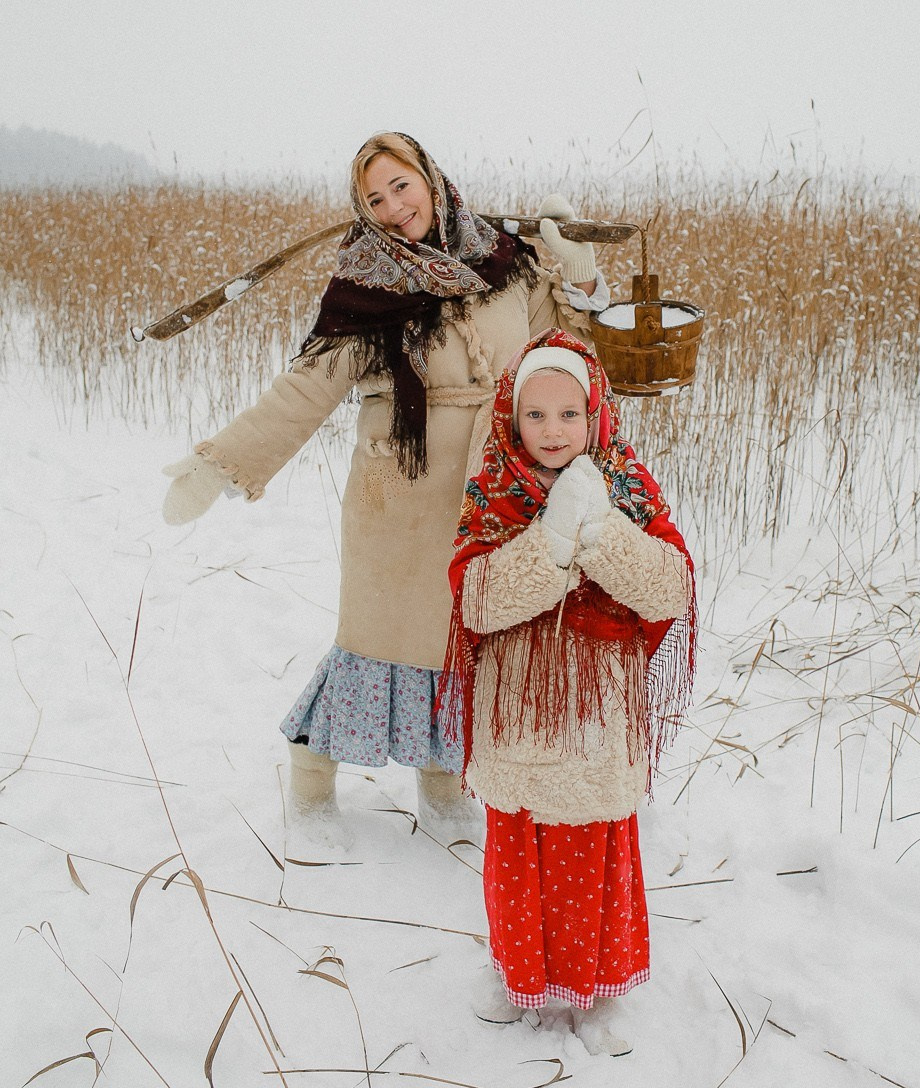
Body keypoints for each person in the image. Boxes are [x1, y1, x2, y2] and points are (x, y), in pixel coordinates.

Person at [161, 133, 608, 830]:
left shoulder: (506, 264)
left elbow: (567, 353)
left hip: (490, 487)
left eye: (402, 186)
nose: (394, 207)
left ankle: (443, 782)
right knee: (376, 640)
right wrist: (223, 460)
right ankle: (310, 778)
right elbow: (308, 386)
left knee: (462, 639)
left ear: (431, 179)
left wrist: (578, 276)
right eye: (375, 198)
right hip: (397, 491)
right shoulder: (368, 286)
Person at [439, 328, 697, 1054]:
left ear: (597, 415)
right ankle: (514, 970)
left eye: (569, 415)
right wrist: (548, 545)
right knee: (520, 846)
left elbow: (670, 585)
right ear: (510, 419)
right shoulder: (493, 489)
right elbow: (477, 604)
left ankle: (598, 989)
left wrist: (601, 532)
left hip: (597, 701)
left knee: (592, 847)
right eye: (534, 415)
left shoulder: (626, 485)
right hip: (520, 699)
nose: (552, 432)